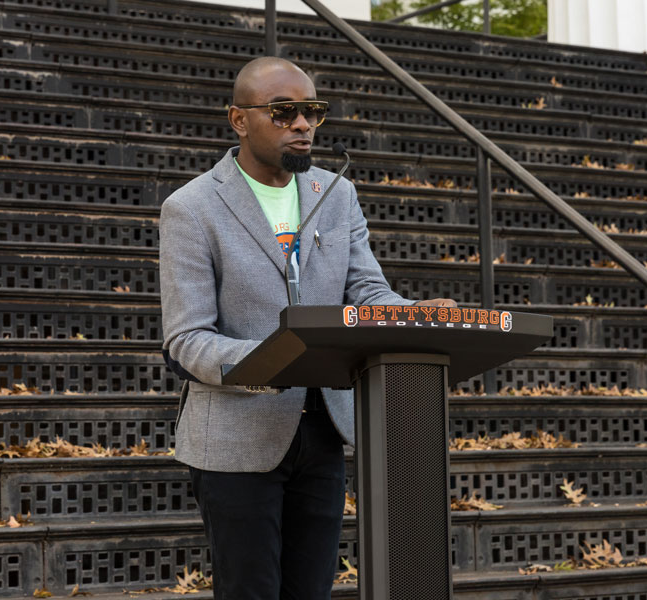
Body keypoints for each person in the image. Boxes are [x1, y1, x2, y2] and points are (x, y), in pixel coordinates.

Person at [158, 56, 456, 599]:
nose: (302, 124)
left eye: (312, 112)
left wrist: (412, 312)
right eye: (284, 111)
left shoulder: (335, 192)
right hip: (235, 436)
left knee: (312, 591)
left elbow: (366, 292)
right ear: (238, 119)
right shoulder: (192, 208)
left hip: (323, 429)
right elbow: (186, 337)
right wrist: (269, 360)